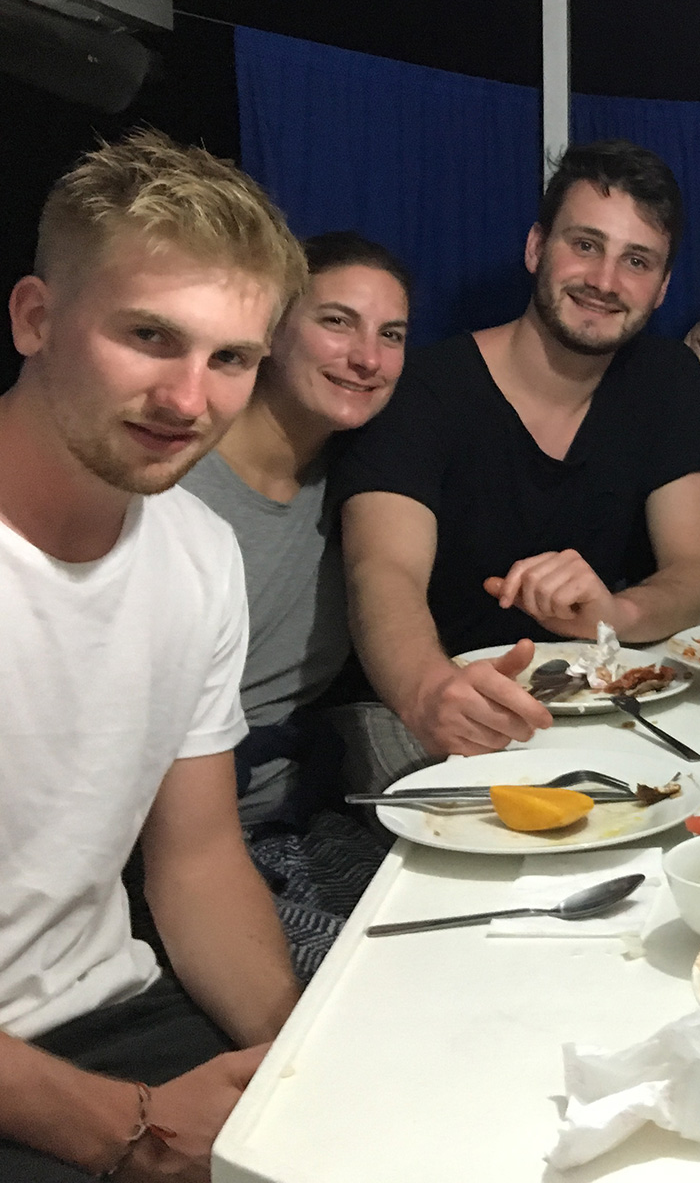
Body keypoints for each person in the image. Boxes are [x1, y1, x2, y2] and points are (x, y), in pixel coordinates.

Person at [0, 131, 304, 1181]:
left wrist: (296, 1055)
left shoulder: (198, 553)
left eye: (230, 359)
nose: (189, 400)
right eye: (148, 337)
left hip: (115, 1012)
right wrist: (117, 1127)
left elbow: (198, 862)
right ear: (35, 317)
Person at [334, 140, 700, 774]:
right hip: (429, 710)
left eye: (637, 260)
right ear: (536, 248)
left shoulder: (666, 379)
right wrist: (426, 692)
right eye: (586, 245)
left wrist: (616, 614)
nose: (604, 281)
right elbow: (381, 573)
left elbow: (698, 571)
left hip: (597, 713)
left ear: (661, 289)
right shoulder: (426, 390)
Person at [178, 231, 411, 979]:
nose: (366, 358)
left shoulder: (364, 482)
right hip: (182, 854)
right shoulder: (175, 478)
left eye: (392, 336)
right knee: (367, 1003)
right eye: (337, 322)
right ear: (274, 330)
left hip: (309, 817)